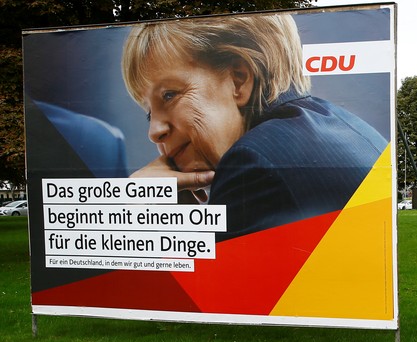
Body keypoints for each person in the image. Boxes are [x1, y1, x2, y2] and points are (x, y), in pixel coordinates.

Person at [121, 13, 387, 239]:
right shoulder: (346, 126)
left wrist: (137, 212)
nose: (154, 131)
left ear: (238, 80)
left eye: (169, 95)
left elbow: (196, 297)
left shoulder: (254, 164)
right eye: (149, 114)